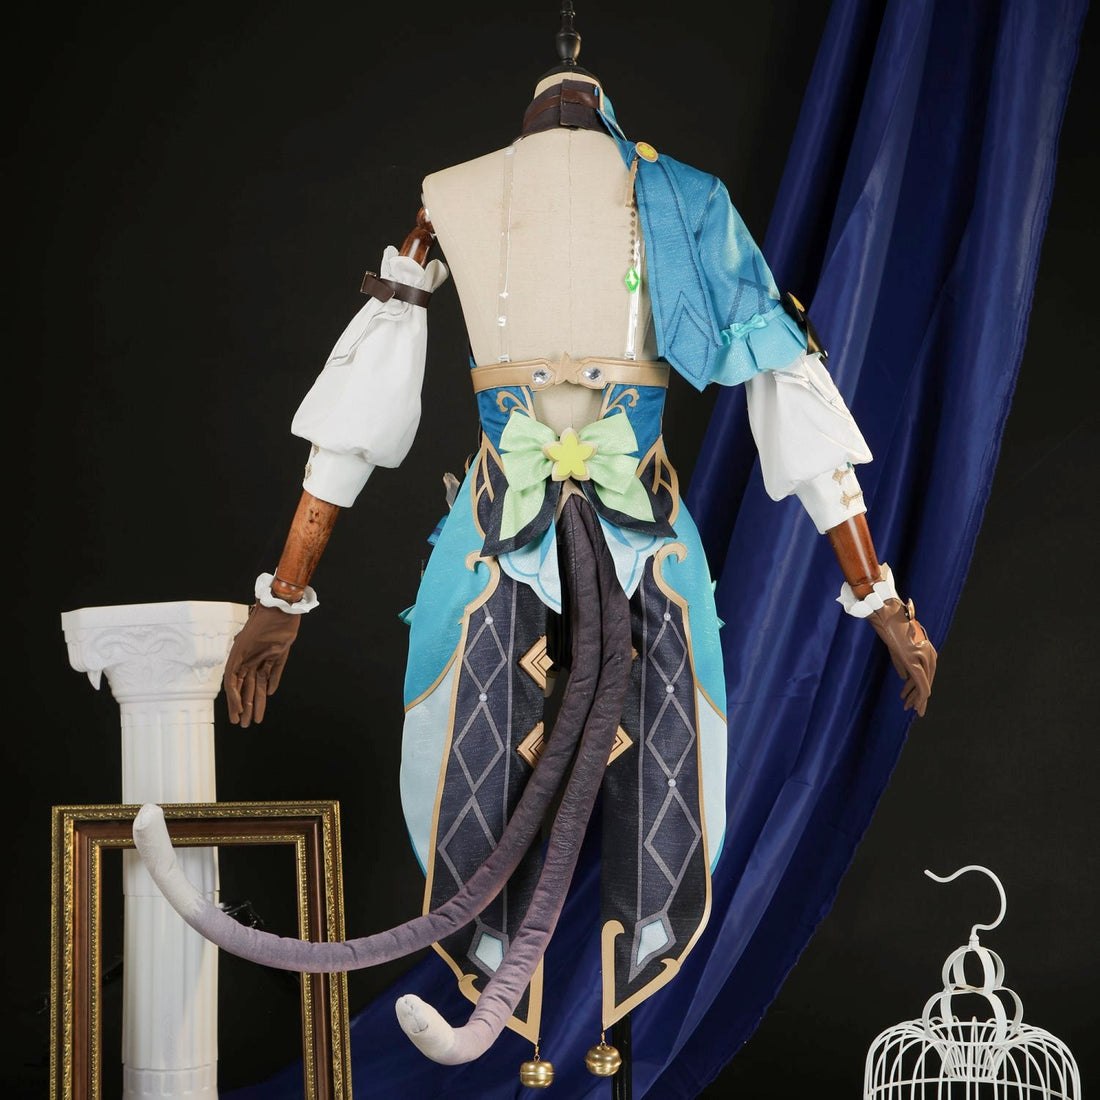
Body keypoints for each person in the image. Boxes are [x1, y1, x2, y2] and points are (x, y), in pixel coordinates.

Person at [133, 44, 936, 1079]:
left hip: (630, 540)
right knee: (475, 782)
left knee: (662, 787)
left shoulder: (679, 199)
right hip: (500, 542)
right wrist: (879, 598)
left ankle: (605, 1033)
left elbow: (787, 390)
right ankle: (513, 1020)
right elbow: (360, 409)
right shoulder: (465, 199)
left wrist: (285, 594)